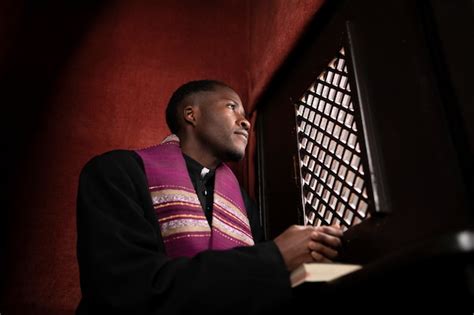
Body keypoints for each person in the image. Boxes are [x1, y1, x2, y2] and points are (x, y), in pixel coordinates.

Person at [76, 80, 343, 315]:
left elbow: (262, 295)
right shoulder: (117, 171)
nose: (245, 121)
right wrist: (275, 258)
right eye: (231, 106)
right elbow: (126, 291)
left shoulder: (244, 204)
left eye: (245, 112)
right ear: (191, 114)